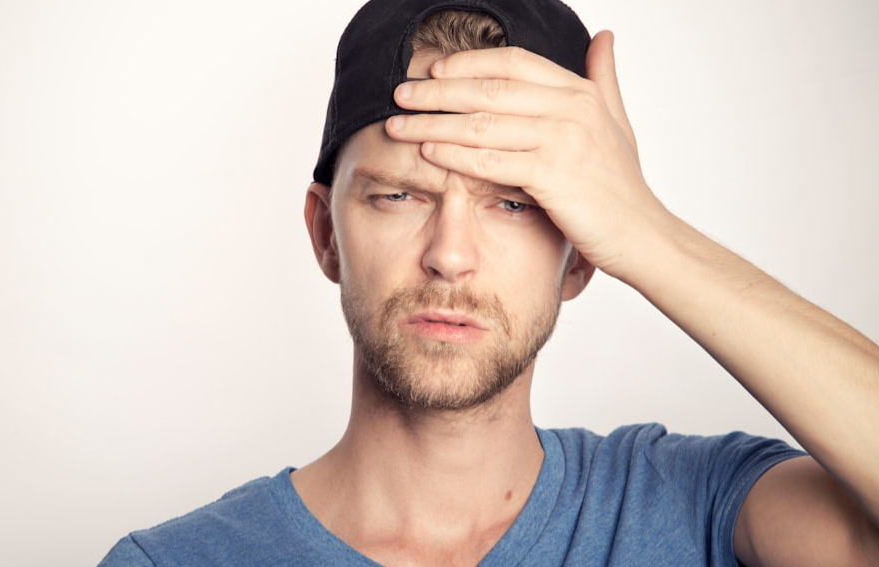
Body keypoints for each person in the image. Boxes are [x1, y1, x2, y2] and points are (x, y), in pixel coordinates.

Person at [98, 0, 879, 565]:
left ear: (581, 257)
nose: (449, 254)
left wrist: (649, 233)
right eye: (399, 195)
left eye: (512, 204)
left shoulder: (693, 506)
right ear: (326, 234)